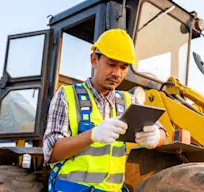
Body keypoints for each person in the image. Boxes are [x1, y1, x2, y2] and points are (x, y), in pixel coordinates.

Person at [43, 28, 167, 192]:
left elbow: (163, 133)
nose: (117, 73)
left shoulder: (130, 101)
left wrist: (157, 137)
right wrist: (92, 135)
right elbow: (51, 152)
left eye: (123, 67)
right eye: (111, 64)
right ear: (94, 60)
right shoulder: (66, 96)